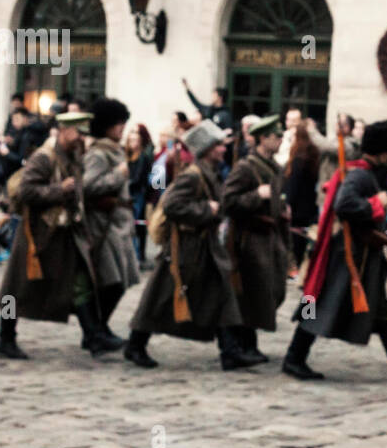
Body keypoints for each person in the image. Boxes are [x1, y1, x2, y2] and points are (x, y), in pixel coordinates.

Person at [282, 119, 387, 382]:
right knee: (316, 304)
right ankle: (294, 357)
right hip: (346, 256)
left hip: (362, 255)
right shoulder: (360, 175)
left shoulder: (368, 172)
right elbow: (345, 204)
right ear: (382, 151)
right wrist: (376, 203)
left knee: (383, 309)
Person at [124, 120, 251, 371]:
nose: (223, 150)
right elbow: (171, 205)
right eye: (218, 146)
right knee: (159, 298)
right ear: (207, 149)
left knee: (222, 293)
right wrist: (205, 209)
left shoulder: (208, 172)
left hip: (204, 247)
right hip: (184, 248)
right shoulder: (193, 176)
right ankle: (135, 344)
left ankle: (230, 351)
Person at [0, 112, 122, 361]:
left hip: (64, 234)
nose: (81, 139)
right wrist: (58, 190)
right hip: (37, 235)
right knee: (14, 291)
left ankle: (93, 336)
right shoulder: (43, 158)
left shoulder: (75, 157)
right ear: (64, 130)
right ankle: (5, 337)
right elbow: (26, 192)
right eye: (78, 133)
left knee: (80, 284)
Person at [221, 114, 290, 366]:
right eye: (276, 136)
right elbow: (228, 201)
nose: (281, 140)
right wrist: (254, 196)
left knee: (270, 290)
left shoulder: (275, 168)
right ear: (263, 138)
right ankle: (242, 345)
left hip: (270, 237)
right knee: (249, 292)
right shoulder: (246, 167)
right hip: (248, 239)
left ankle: (246, 344)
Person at [84, 98, 141, 343]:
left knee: (123, 279)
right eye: (117, 123)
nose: (122, 128)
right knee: (111, 281)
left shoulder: (114, 150)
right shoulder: (98, 153)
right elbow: (89, 186)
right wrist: (117, 176)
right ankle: (95, 330)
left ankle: (100, 327)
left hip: (119, 222)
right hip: (104, 226)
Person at [284, 120, 321, 273]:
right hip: (310, 208)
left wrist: (287, 204)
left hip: (298, 210)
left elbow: (293, 186)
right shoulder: (314, 157)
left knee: (296, 248)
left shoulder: (299, 159)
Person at [125, 127, 153, 265]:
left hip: (137, 194)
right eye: (131, 140)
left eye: (135, 140)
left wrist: (126, 184)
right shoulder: (128, 157)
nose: (133, 143)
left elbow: (138, 179)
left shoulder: (143, 157)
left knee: (137, 224)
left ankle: (138, 255)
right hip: (131, 192)